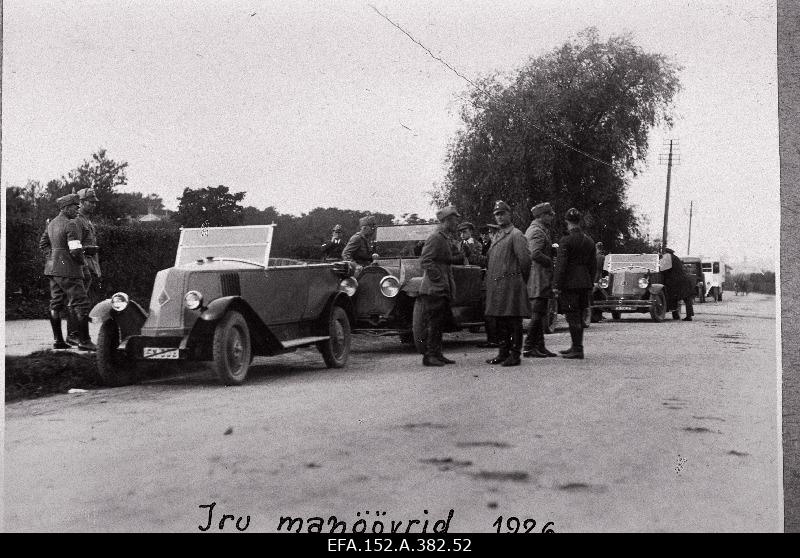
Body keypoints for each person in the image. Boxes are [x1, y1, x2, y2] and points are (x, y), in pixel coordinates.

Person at [470, 201, 531, 367]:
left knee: (513, 321)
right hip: (498, 287)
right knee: (500, 322)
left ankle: (515, 354)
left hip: (511, 284)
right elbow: (490, 260)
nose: (499, 217)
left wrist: (519, 281)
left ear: (509, 214)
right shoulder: (497, 236)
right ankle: (503, 353)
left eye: (502, 213)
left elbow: (525, 261)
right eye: (497, 214)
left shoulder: (516, 235)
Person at [39, 193, 97, 351]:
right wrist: (82, 262)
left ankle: (58, 341)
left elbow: (43, 243)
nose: (77, 210)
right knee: (82, 303)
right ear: (65, 208)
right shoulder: (70, 224)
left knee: (56, 303)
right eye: (75, 207)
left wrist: (53, 257)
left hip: (52, 270)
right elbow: (76, 250)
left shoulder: (51, 224)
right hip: (69, 270)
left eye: (78, 207)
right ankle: (84, 341)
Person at [418, 206, 466, 366]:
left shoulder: (444, 238)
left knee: (439, 323)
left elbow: (446, 259)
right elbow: (425, 260)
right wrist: (438, 278)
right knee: (434, 323)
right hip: (434, 289)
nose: (456, 222)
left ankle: (437, 354)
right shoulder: (436, 237)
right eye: (454, 219)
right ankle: (430, 355)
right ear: (446, 221)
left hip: (441, 287)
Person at [552, 208, 596, 359]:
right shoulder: (589, 241)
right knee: (580, 314)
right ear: (579, 221)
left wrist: (556, 285)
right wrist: (591, 282)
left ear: (567, 222)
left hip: (570, 284)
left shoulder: (566, 240)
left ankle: (577, 349)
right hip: (584, 283)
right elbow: (593, 265)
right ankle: (576, 346)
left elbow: (561, 265)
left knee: (572, 316)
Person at [66, 188, 101, 346]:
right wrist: (88, 250)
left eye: (94, 202)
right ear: (80, 203)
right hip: (82, 266)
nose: (93, 204)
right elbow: (75, 247)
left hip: (90, 265)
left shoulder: (86, 220)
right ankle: (76, 335)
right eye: (90, 202)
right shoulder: (78, 221)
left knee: (81, 300)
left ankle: (75, 335)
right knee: (79, 301)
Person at [522, 202, 557, 358]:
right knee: (537, 313)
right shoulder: (536, 231)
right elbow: (534, 253)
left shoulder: (539, 230)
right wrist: (550, 261)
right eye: (549, 214)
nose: (552, 216)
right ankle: (529, 346)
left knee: (541, 312)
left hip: (540, 277)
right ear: (541, 216)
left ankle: (540, 346)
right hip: (538, 277)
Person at [660, 247, 695, 321]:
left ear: (666, 252)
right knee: (686, 299)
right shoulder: (675, 257)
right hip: (684, 280)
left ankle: (676, 315)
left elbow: (665, 269)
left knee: (673, 297)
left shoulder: (668, 258)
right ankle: (688, 316)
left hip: (677, 281)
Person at [591, 241, 607, 323]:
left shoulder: (592, 256)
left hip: (593, 278)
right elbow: (605, 270)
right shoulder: (603, 257)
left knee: (595, 296)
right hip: (599, 278)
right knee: (599, 296)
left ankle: (597, 315)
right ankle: (598, 315)